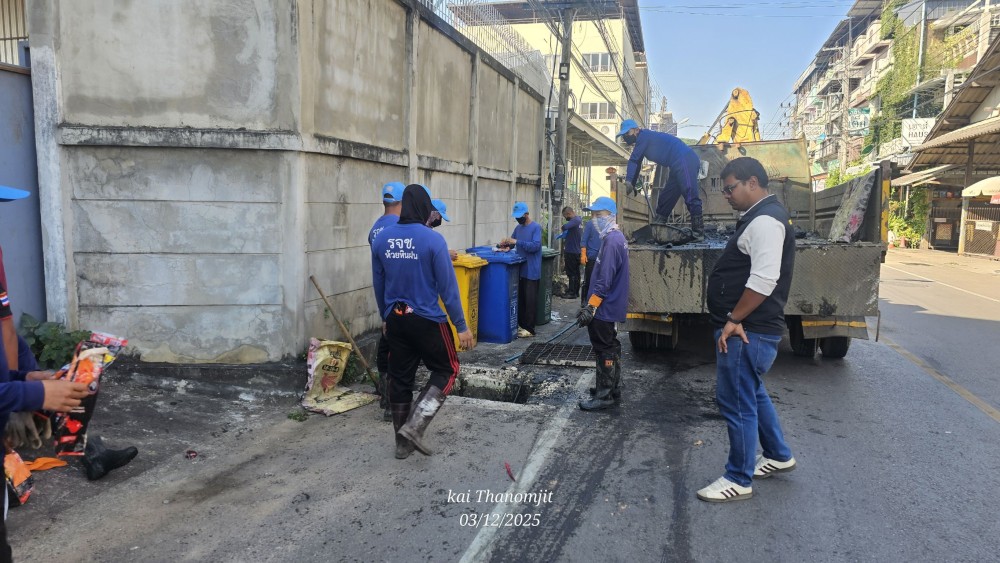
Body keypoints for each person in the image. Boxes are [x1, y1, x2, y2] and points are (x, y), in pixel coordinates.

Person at [697, 157, 796, 503]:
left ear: (752, 182)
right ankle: (778, 455)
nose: (726, 195)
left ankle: (738, 478)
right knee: (752, 392)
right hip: (751, 328)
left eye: (730, 189)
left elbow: (764, 280)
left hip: (747, 330)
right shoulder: (759, 217)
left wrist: (734, 319)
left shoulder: (766, 221)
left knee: (736, 401)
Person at [371, 185, 474, 459]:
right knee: (447, 369)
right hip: (428, 320)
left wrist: (384, 316)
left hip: (396, 320)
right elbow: (448, 289)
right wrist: (461, 326)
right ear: (425, 208)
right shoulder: (433, 240)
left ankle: (401, 444)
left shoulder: (382, 239)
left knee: (400, 378)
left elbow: (379, 283)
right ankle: (415, 427)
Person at [575, 197, 629, 411]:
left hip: (604, 307)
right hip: (609, 304)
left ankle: (604, 395)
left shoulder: (612, 241)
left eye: (599, 215)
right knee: (611, 345)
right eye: (593, 215)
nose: (595, 219)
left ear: (611, 216)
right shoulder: (614, 238)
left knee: (603, 348)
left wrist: (591, 307)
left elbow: (604, 280)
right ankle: (611, 387)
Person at [616, 119, 704, 241]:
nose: (626, 137)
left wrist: (629, 181)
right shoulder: (643, 140)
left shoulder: (644, 136)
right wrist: (632, 183)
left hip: (685, 159)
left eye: (627, 133)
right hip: (676, 164)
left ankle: (698, 232)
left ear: (636, 130)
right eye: (624, 135)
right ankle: (658, 226)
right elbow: (637, 162)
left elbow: (634, 160)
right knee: (667, 196)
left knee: (690, 193)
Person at [368, 182, 405, 422]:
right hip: (403, 300)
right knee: (401, 354)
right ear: (403, 202)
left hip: (386, 301)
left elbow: (378, 275)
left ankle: (385, 396)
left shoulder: (375, 229)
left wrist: (384, 313)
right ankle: (393, 404)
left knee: (387, 348)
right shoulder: (400, 228)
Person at [500, 202, 542, 338]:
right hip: (520, 269)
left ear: (526, 214)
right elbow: (513, 243)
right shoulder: (518, 228)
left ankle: (530, 329)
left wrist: (516, 242)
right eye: (516, 217)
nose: (518, 219)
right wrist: (506, 245)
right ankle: (522, 325)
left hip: (531, 270)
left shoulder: (536, 227)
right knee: (521, 300)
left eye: (520, 216)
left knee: (530, 301)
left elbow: (535, 246)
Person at [557, 207, 583, 299]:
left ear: (568, 214)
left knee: (572, 273)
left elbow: (564, 227)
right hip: (576, 250)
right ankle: (575, 291)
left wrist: (564, 228)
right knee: (575, 273)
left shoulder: (575, 220)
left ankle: (572, 293)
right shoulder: (578, 220)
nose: (565, 218)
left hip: (572, 251)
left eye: (565, 216)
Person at [579, 210, 601, 307]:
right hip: (592, 257)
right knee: (589, 280)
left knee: (599, 282)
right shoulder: (590, 224)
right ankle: (585, 301)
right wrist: (583, 254)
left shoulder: (607, 225)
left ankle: (594, 302)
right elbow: (584, 240)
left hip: (602, 257)